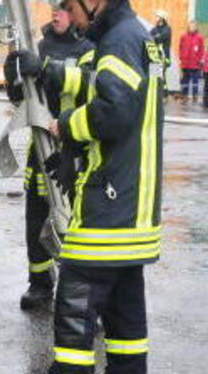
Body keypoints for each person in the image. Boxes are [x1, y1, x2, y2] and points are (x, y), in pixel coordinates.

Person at [14, 0, 163, 372]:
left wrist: (68, 126)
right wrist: (47, 70)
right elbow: (104, 86)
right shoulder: (136, 37)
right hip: (134, 216)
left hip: (107, 212)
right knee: (127, 331)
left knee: (73, 334)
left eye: (67, 3)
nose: (66, 11)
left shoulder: (119, 40)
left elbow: (113, 111)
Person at [4, 5, 94, 310]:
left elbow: (89, 91)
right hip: (39, 148)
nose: (56, 14)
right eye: (54, 8)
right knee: (35, 220)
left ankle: (80, 289)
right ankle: (40, 284)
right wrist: (11, 79)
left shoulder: (88, 48)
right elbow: (21, 97)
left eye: (63, 9)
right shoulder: (39, 47)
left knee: (73, 221)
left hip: (74, 146)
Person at [179, 20, 204, 104]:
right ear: (188, 27)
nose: (192, 27)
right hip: (185, 63)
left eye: (193, 26)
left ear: (196, 27)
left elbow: (201, 50)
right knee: (185, 81)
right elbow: (180, 48)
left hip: (195, 64)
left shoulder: (199, 37)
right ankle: (184, 96)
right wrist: (181, 58)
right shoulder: (183, 36)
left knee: (195, 81)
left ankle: (195, 96)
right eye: (190, 26)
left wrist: (200, 60)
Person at [150, 10, 172, 96]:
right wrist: (154, 37)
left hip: (163, 56)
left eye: (158, 16)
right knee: (154, 74)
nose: (156, 18)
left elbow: (160, 38)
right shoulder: (155, 28)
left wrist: (154, 37)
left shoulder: (167, 29)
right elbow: (148, 36)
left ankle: (163, 94)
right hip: (155, 56)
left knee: (161, 74)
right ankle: (156, 93)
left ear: (162, 19)